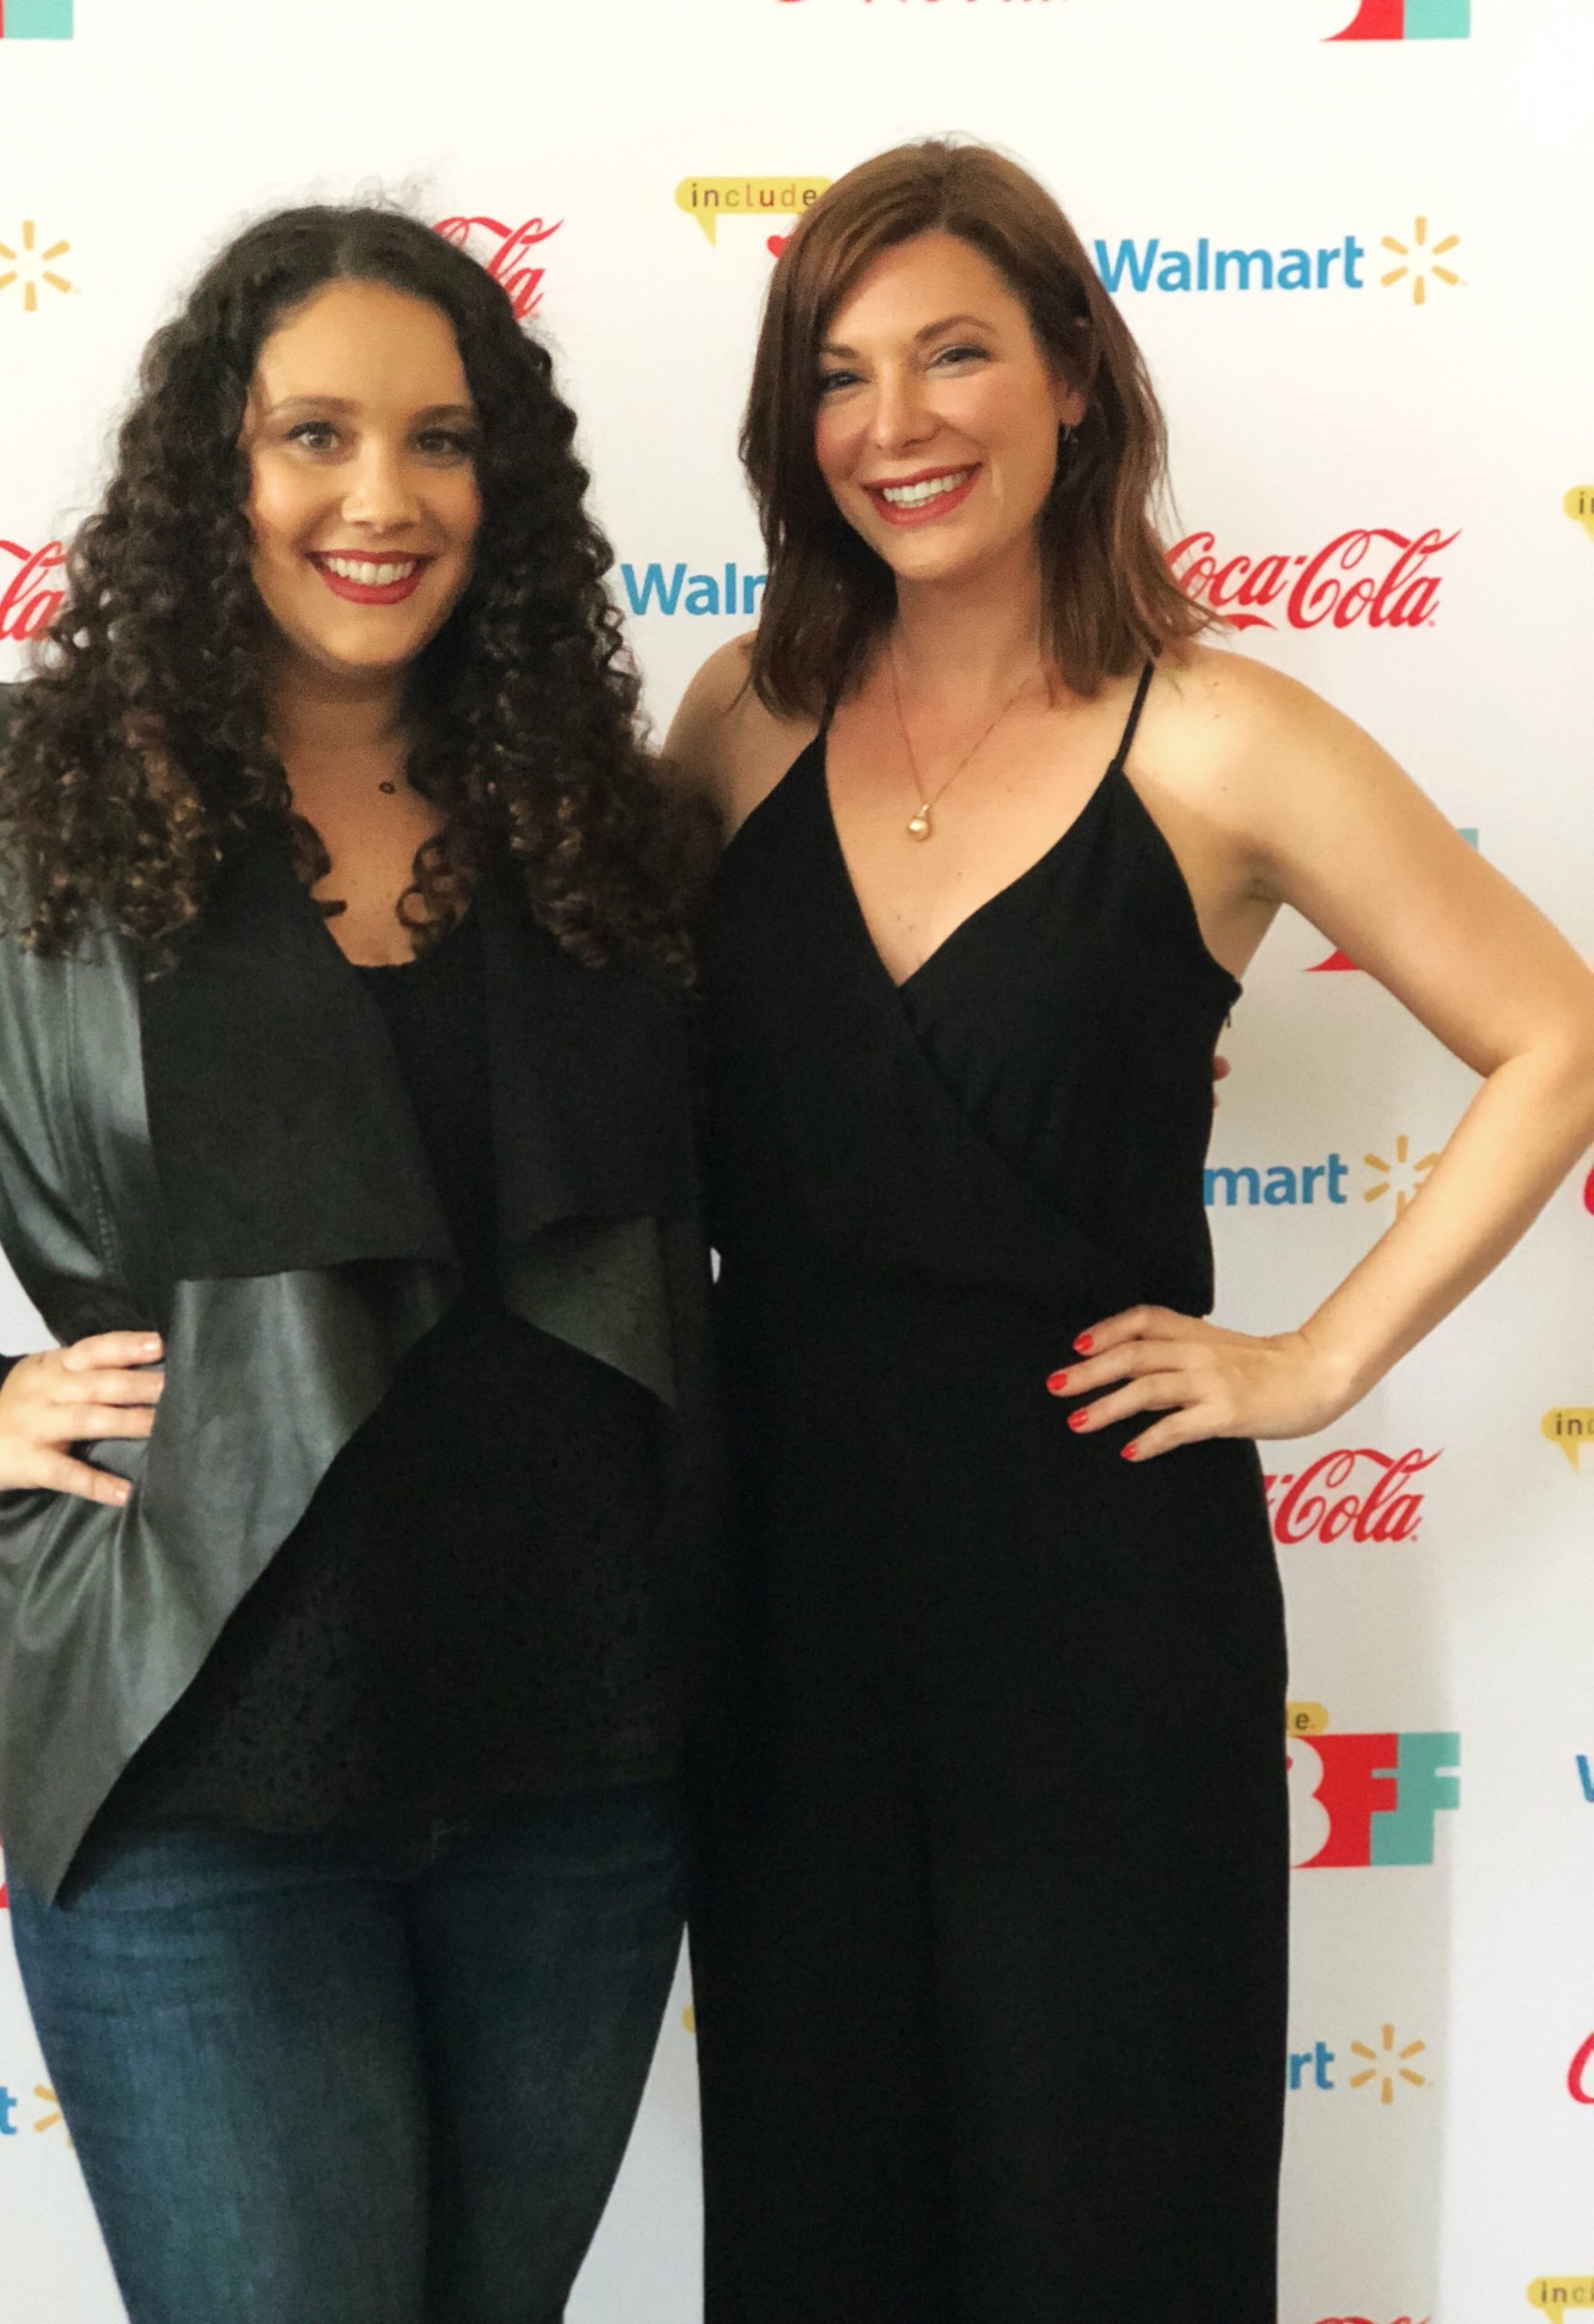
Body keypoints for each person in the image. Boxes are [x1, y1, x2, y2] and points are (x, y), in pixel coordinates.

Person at [0, 206, 723, 2324]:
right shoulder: (14, 795)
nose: (382, 498)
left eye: (442, 441)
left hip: (584, 1755)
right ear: (215, 471)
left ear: (506, 490)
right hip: (193, 1769)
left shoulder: (599, 814)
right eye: (315, 435)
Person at [666, 139, 1594, 2323]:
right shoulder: (734, 716)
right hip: (779, 1577)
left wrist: (1317, 1358)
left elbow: (1551, 1031)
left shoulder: (1224, 733)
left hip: (1100, 1596)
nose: (895, 421)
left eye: (956, 350)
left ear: (1076, 372)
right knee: (814, 2207)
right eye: (839, 371)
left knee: (1118, 2209)